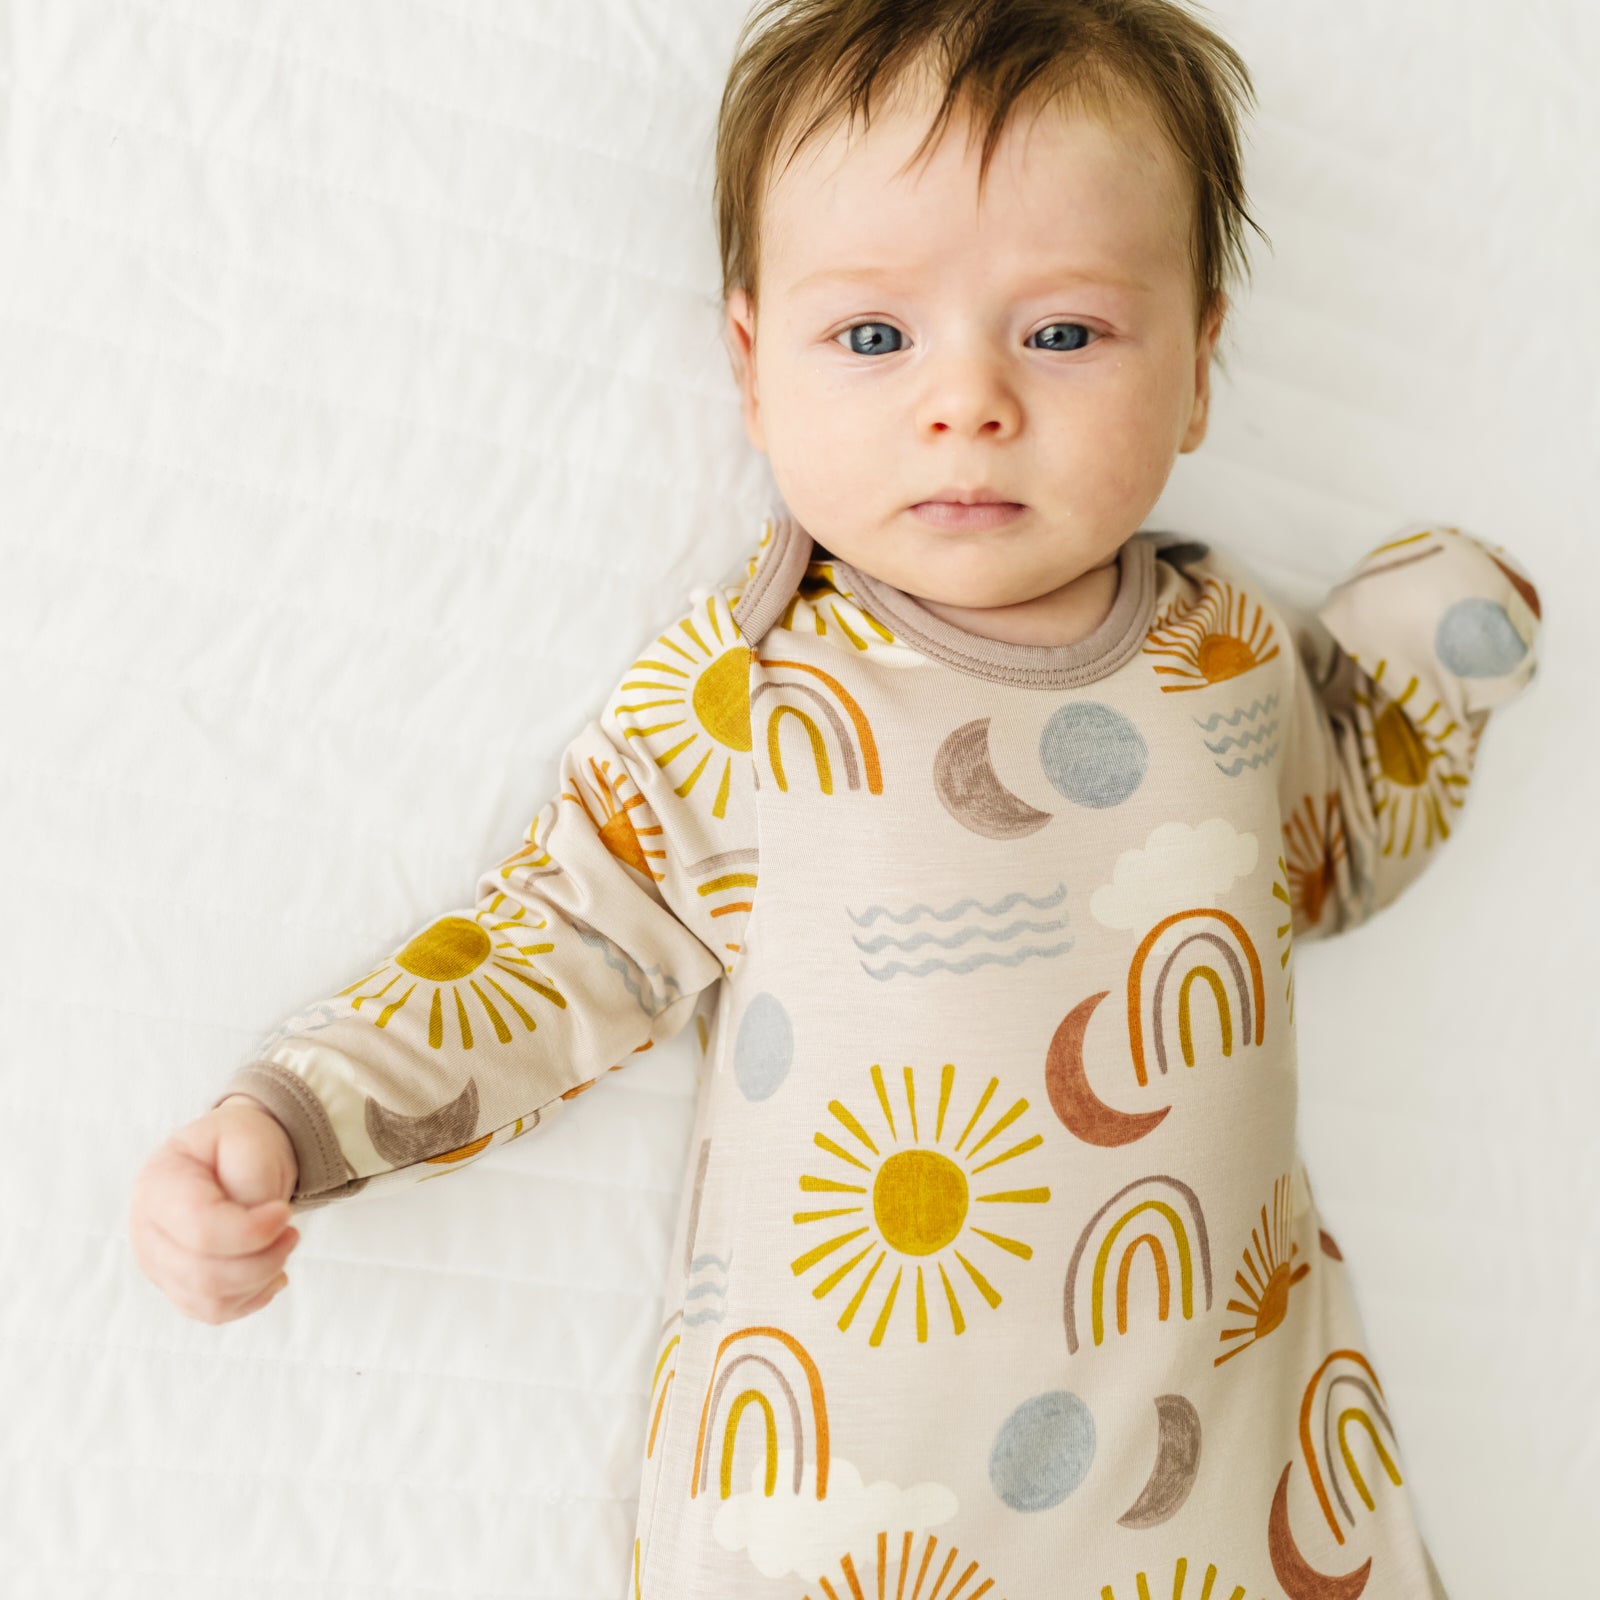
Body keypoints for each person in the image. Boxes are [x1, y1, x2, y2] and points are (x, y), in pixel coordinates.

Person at [128, 1, 1541, 1593]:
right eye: (874, 338)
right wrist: (297, 1118)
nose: (969, 401)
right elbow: (556, 946)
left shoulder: (1230, 658)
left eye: (1064, 334)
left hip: (1236, 1495)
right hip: (848, 1518)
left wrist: (1443, 638)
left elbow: (1344, 838)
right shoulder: (761, 687)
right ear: (752, 368)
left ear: (1201, 369)